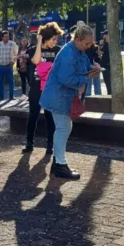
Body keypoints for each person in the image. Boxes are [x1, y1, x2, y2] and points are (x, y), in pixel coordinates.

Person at [40, 22, 101, 180]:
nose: (88, 46)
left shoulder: (77, 50)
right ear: (78, 39)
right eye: (87, 43)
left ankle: (58, 163)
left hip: (62, 96)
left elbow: (84, 65)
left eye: (90, 44)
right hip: (58, 96)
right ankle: (60, 164)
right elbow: (65, 78)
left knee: (63, 128)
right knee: (63, 128)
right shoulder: (68, 53)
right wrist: (87, 76)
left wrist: (93, 67)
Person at [22, 22, 63, 155]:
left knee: (50, 116)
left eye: (56, 39)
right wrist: (39, 42)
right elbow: (35, 61)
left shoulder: (58, 51)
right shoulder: (33, 49)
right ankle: (29, 143)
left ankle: (50, 144)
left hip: (50, 89)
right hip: (36, 88)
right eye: (53, 39)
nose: (55, 42)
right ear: (46, 38)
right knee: (33, 115)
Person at [0, 30, 19, 101]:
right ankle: (1, 96)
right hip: (1, 66)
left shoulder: (12, 44)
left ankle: (11, 96)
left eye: (8, 36)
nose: (7, 38)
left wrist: (13, 61)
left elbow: (16, 53)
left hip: (9, 66)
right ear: (2, 37)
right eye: (5, 37)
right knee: (1, 82)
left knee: (11, 81)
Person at [98, 31, 111, 95]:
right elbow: (99, 53)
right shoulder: (105, 44)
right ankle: (109, 94)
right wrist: (100, 45)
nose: (103, 36)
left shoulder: (111, 45)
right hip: (105, 66)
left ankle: (110, 94)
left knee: (109, 83)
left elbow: (100, 53)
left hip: (109, 66)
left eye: (105, 35)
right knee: (108, 83)